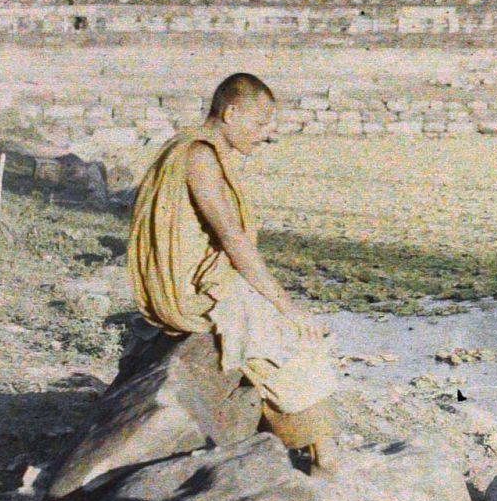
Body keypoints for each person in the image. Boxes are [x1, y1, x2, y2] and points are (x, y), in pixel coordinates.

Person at [126, 72, 344, 474]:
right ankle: (324, 459)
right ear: (230, 113)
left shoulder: (201, 151)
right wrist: (284, 304)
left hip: (206, 278)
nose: (265, 135)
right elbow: (232, 239)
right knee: (291, 337)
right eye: (260, 124)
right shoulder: (199, 156)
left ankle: (315, 451)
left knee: (286, 331)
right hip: (194, 291)